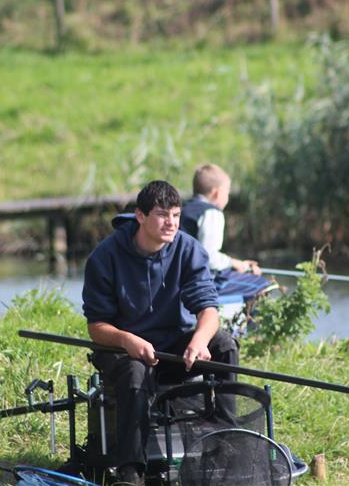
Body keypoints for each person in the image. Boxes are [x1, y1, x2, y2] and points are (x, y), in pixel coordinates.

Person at [82, 180, 238, 486]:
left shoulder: (188, 249)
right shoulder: (105, 256)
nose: (171, 223)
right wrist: (126, 339)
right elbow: (96, 327)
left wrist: (199, 340)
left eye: (176, 215)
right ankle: (131, 471)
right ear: (140, 216)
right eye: (162, 215)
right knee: (135, 371)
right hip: (123, 352)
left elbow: (208, 310)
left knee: (224, 344)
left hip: (172, 349)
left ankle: (226, 446)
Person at [181, 164, 272, 304]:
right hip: (197, 283)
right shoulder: (211, 212)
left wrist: (236, 265)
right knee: (263, 285)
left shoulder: (182, 209)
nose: (227, 197)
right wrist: (234, 263)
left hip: (181, 277)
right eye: (227, 193)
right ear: (217, 193)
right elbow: (208, 258)